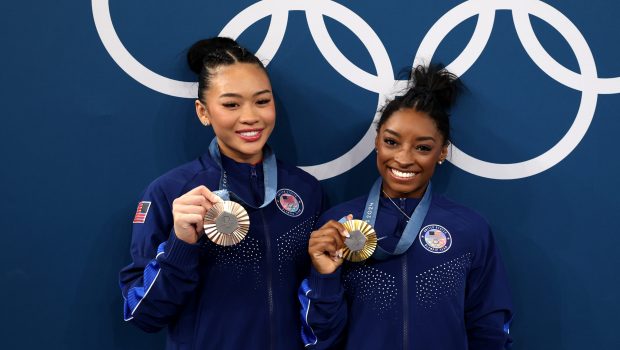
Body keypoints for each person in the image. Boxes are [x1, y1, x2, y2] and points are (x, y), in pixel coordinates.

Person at [119, 37, 323, 349]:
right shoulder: (170, 192)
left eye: (262, 101)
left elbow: (319, 302)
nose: (250, 116)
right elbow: (142, 315)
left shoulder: (306, 191)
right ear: (203, 112)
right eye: (231, 104)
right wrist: (180, 245)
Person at [299, 64, 513, 349]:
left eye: (423, 147)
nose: (403, 158)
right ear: (377, 142)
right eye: (391, 142)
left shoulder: (470, 230)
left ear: (442, 152)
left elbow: (490, 330)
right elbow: (320, 338)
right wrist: (325, 277)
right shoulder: (337, 224)